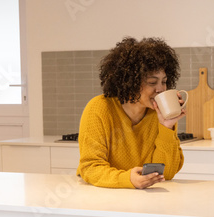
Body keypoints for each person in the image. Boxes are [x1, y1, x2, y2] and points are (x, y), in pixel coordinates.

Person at [77, 36, 185, 189]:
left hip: (144, 199)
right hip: (102, 196)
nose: (160, 89)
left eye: (164, 81)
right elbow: (90, 168)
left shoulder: (159, 114)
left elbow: (166, 174)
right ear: (130, 82)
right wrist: (127, 179)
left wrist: (166, 127)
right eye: (152, 82)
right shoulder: (99, 109)